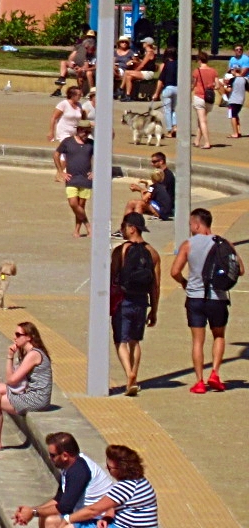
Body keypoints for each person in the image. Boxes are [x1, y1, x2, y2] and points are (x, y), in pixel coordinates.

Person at [168, 206, 235, 394]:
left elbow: (174, 271)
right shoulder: (224, 244)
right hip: (218, 298)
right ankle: (215, 373)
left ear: (197, 224)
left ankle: (199, 381)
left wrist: (184, 282)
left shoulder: (188, 245)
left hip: (195, 298)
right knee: (219, 336)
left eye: (191, 224)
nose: (190, 228)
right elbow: (240, 269)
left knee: (198, 341)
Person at [0, 321, 53, 451]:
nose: (14, 337)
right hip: (30, 394)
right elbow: (12, 379)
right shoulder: (27, 354)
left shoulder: (34, 355)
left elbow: (11, 380)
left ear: (29, 337)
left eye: (18, 334)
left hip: (37, 399)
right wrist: (11, 357)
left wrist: (9, 357)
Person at [13, 432, 114, 527]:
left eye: (52, 455)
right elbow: (58, 500)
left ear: (65, 456)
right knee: (45, 517)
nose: (49, 458)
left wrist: (33, 512)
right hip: (83, 514)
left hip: (100, 519)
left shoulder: (78, 471)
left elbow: (64, 508)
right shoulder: (69, 467)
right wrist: (30, 511)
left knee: (51, 521)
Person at [110, 212, 161, 397]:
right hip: (141, 301)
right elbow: (155, 286)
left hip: (123, 301)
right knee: (135, 341)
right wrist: (154, 310)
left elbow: (113, 279)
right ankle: (135, 377)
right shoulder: (152, 253)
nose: (122, 230)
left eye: (124, 227)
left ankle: (128, 373)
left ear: (132, 228)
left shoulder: (120, 251)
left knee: (120, 341)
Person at [65, 445, 157, 527]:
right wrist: (106, 518)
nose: (106, 468)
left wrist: (66, 520)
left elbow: (93, 510)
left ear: (121, 469)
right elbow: (115, 505)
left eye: (109, 467)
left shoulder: (125, 487)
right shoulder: (141, 482)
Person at [54, 120, 95, 238]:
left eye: (88, 131)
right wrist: (61, 171)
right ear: (78, 130)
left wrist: (95, 171)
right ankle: (88, 226)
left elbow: (100, 156)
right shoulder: (68, 142)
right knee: (73, 204)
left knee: (81, 206)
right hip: (71, 178)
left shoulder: (92, 143)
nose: (86, 133)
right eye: (84, 131)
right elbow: (56, 154)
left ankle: (77, 230)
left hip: (86, 179)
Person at [124, 152, 174, 222]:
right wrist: (143, 188)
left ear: (161, 161)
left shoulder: (167, 176)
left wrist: (141, 190)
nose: (152, 164)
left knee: (139, 204)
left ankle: (136, 225)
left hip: (163, 209)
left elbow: (145, 199)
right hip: (160, 205)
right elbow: (155, 192)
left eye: (154, 162)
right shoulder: (160, 180)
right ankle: (125, 225)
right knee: (131, 202)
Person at [191, 49, 218, 148]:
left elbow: (193, 85)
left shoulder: (196, 71)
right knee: (201, 120)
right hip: (209, 98)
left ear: (199, 60)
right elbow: (217, 86)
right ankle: (197, 140)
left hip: (199, 97)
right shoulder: (213, 71)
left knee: (202, 121)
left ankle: (207, 142)